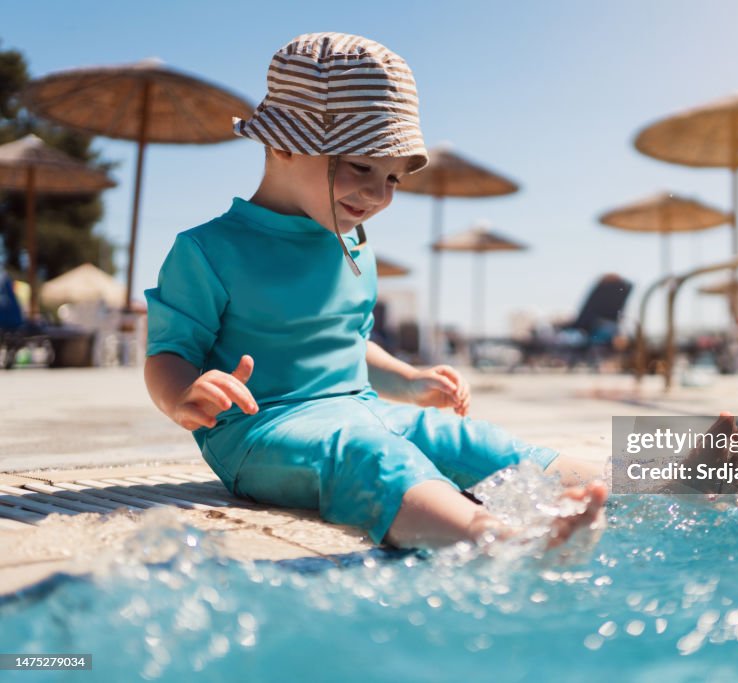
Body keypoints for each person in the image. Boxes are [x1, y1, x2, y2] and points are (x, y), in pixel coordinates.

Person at [143, 33, 608, 551]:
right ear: (283, 144)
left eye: (393, 178)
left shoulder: (354, 249)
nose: (377, 193)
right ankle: (499, 540)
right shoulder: (209, 249)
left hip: (363, 408)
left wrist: (409, 380)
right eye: (361, 167)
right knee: (370, 457)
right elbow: (168, 352)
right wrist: (182, 396)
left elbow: (350, 345)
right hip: (262, 430)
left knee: (472, 441)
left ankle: (643, 480)